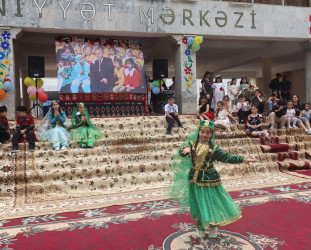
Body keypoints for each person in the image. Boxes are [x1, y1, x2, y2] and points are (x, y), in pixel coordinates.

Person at [167, 120, 256, 238]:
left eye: (207, 133)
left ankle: (213, 226)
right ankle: (200, 227)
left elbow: (227, 157)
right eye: (202, 132)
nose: (204, 135)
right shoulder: (192, 144)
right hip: (194, 179)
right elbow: (181, 152)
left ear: (211, 135)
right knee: (197, 203)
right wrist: (186, 149)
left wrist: (243, 159)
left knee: (210, 202)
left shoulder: (214, 149)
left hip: (209, 180)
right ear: (198, 132)